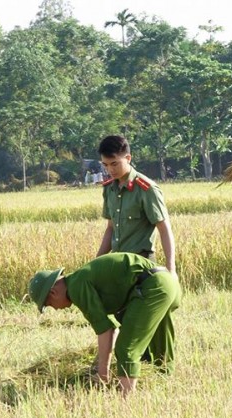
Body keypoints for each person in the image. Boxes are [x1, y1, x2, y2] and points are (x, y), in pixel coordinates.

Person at [28, 253, 181, 396]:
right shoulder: (80, 278)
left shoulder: (76, 287)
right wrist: (100, 362)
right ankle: (165, 384)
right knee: (157, 341)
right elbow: (111, 330)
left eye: (49, 304)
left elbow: (106, 330)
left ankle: (127, 401)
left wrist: (102, 374)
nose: (55, 308)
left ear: (53, 293)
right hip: (166, 282)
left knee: (127, 348)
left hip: (153, 287)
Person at [96, 135, 176, 275]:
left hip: (141, 265)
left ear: (128, 158)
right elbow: (110, 228)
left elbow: (164, 229)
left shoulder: (146, 189)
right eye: (106, 165)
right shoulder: (109, 189)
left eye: (114, 164)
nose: (110, 170)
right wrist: (96, 263)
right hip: (117, 263)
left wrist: (171, 270)